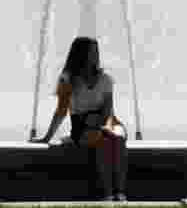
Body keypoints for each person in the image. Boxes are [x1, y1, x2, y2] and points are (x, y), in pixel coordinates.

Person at [31, 36, 129, 201]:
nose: (96, 56)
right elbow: (61, 111)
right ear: (81, 54)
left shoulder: (105, 79)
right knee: (104, 140)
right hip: (82, 126)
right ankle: (108, 194)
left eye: (96, 52)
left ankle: (120, 192)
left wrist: (101, 123)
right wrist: (47, 137)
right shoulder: (68, 80)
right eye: (92, 52)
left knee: (118, 138)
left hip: (107, 121)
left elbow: (108, 111)